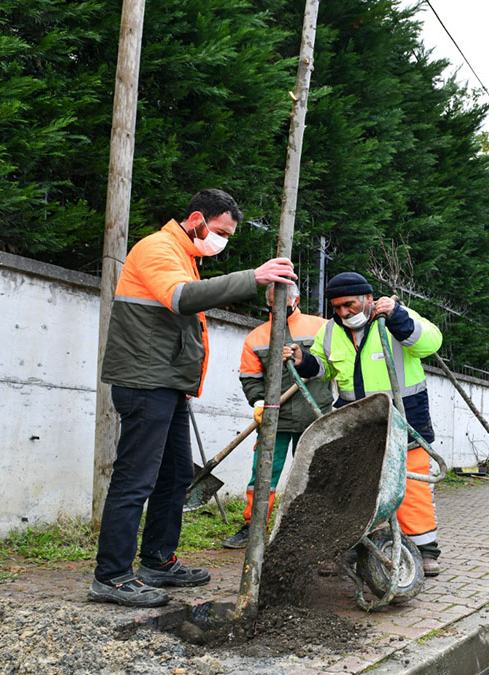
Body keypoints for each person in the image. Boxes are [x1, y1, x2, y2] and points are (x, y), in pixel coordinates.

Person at [90, 188, 297, 607]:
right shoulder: (158, 248)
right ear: (197, 219)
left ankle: (158, 562)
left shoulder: (185, 256)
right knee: (135, 478)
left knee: (175, 476)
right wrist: (252, 278)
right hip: (145, 382)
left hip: (166, 383)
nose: (222, 241)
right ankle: (111, 576)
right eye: (220, 231)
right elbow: (181, 299)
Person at [286, 272, 445, 576]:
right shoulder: (330, 331)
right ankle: (354, 544)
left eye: (350, 304)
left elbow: (429, 343)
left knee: (412, 485)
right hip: (358, 422)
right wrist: (302, 360)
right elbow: (323, 367)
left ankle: (425, 550)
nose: (344, 312)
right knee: (355, 484)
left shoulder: (396, 315)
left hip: (404, 417)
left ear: (369, 298)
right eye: (337, 307)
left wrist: (397, 317)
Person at [220, 284, 333, 548]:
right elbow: (250, 377)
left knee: (314, 475)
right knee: (263, 475)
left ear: (296, 299)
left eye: (282, 300)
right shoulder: (257, 337)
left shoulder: (321, 328)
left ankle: (312, 528)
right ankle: (253, 526)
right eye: (272, 301)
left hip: (315, 417)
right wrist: (259, 401)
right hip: (275, 419)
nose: (276, 306)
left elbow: (334, 364)